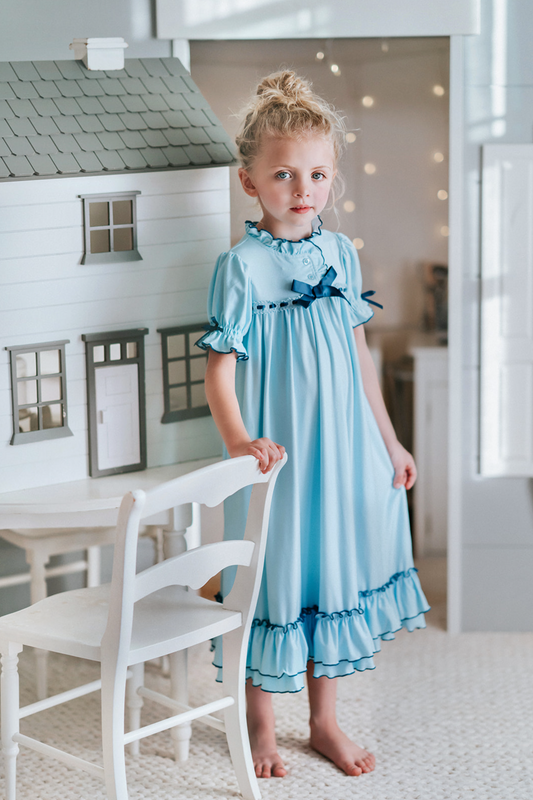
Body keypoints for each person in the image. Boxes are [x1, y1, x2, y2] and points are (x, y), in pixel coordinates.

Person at [197, 70, 430, 780]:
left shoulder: (338, 252)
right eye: (284, 174)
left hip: (343, 448)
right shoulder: (239, 267)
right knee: (274, 578)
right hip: (280, 457)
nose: (303, 188)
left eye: (317, 173)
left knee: (332, 575)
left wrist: (387, 441)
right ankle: (259, 723)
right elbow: (219, 372)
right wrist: (241, 444)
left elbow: (360, 357)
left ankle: (324, 720)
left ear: (332, 178)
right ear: (250, 182)